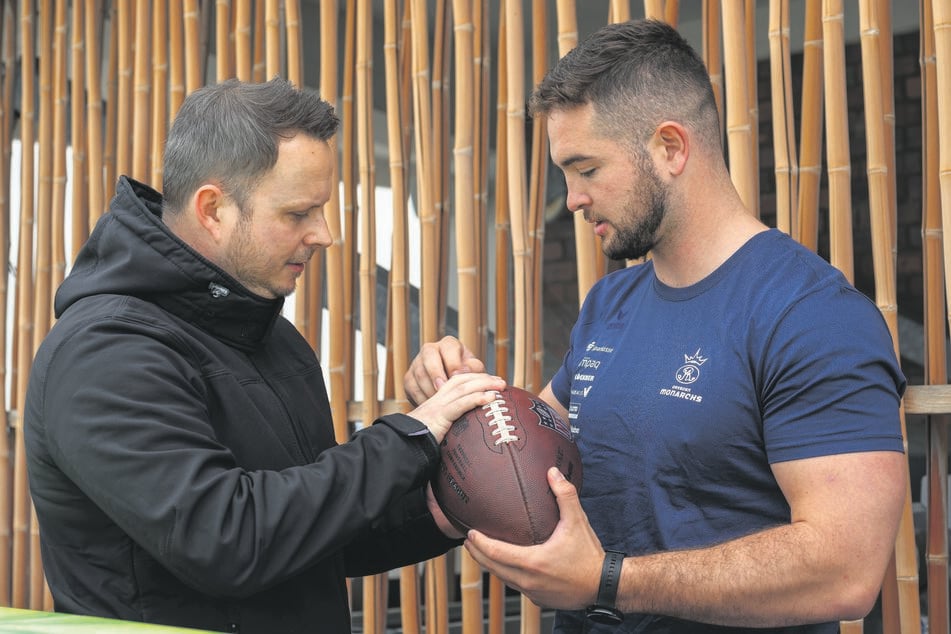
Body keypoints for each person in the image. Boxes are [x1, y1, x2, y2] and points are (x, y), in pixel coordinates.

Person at [404, 19, 908, 634]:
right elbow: (525, 460)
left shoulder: (810, 316)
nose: (572, 199)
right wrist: (456, 402)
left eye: (586, 168)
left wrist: (608, 581)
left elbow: (844, 569)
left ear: (670, 148)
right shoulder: (608, 304)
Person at [24, 77, 504, 634]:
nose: (324, 234)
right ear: (213, 209)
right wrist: (409, 437)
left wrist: (449, 499)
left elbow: (312, 536)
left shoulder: (270, 337)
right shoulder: (107, 352)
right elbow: (226, 539)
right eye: (298, 212)